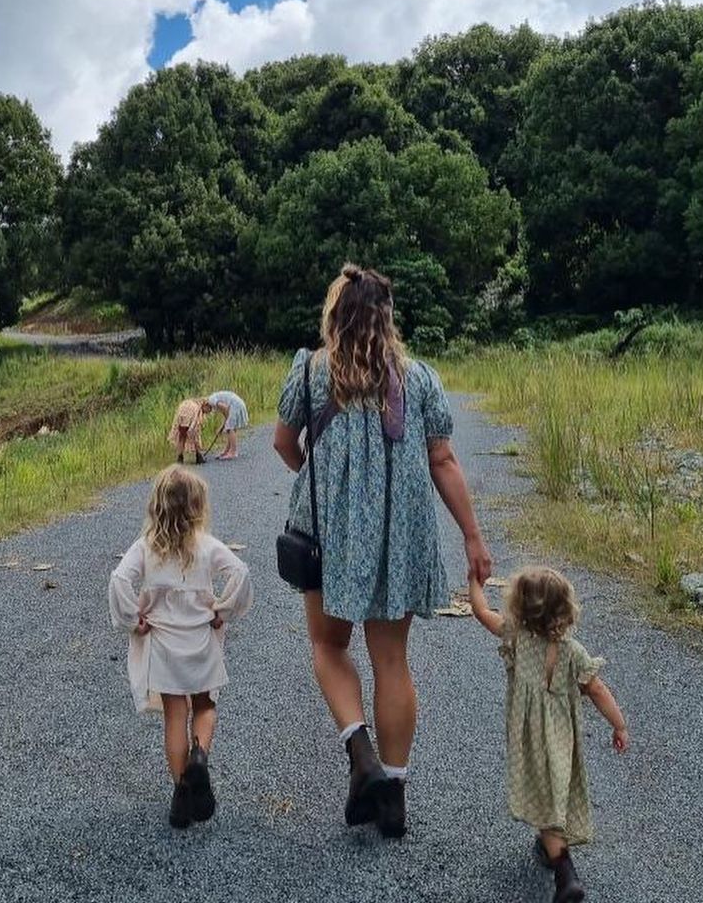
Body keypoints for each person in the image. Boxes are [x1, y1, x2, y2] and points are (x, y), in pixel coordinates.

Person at [273, 263, 491, 836]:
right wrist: (472, 535)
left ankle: (360, 753)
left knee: (327, 645)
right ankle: (392, 793)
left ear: (335, 317)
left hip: (329, 535)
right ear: (386, 319)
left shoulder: (311, 373)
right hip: (400, 534)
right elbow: (442, 460)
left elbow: (282, 444)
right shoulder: (419, 381)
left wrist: (315, 476)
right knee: (392, 661)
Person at [468, 566, 628, 903]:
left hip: (529, 742)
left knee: (543, 797)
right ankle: (550, 846)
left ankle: (565, 871)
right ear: (565, 609)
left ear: (519, 608)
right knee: (556, 790)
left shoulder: (516, 637)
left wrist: (474, 584)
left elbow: (481, 612)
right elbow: (597, 689)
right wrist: (619, 726)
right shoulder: (572, 652)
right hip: (562, 739)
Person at [108, 465, 253, 828]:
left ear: (155, 507)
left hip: (165, 648)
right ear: (197, 507)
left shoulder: (145, 548)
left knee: (175, 716)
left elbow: (119, 580)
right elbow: (241, 572)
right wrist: (223, 609)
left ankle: (180, 793)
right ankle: (200, 757)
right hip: (200, 641)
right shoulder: (206, 545)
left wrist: (133, 620)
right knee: (204, 706)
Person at [206, 390, 249, 460]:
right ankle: (227, 451)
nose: (207, 412)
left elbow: (225, 408)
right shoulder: (213, 400)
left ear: (205, 405)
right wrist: (222, 427)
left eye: (205, 411)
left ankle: (233, 452)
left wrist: (226, 424)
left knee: (230, 428)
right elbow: (226, 415)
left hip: (235, 405)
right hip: (236, 404)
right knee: (229, 427)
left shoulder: (211, 400)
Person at [167, 397, 211, 465]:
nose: (208, 412)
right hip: (189, 418)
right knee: (196, 436)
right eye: (209, 410)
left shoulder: (188, 402)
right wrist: (191, 430)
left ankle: (180, 457)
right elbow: (194, 424)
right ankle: (198, 456)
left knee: (182, 437)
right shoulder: (198, 409)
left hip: (181, 417)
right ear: (205, 406)